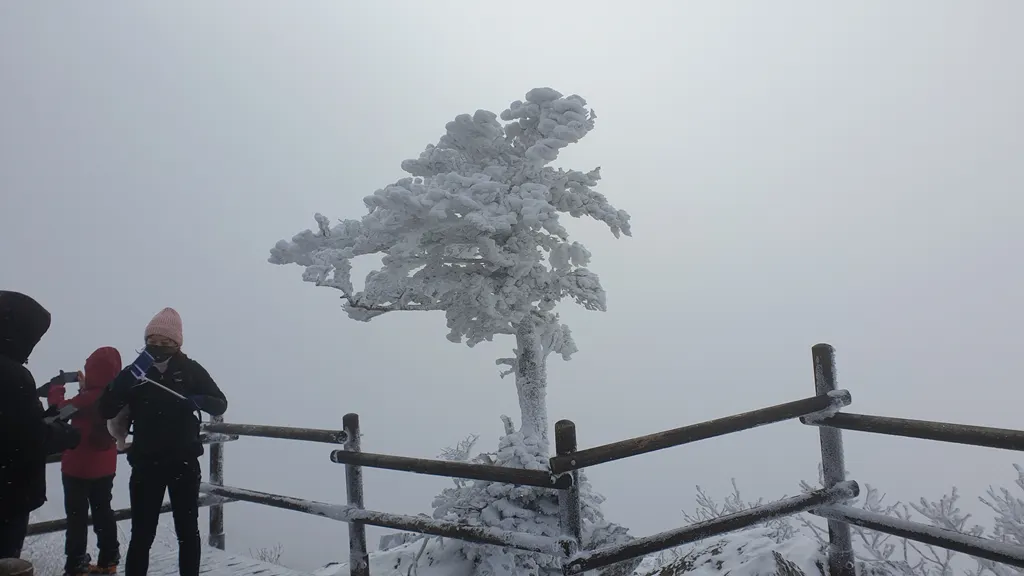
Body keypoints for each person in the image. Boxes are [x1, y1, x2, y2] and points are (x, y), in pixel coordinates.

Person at [98, 308, 227, 576]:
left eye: (165, 343)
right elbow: (107, 408)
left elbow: (220, 402)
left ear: (177, 344)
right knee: (142, 534)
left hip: (184, 462)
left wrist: (200, 400)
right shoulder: (135, 374)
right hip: (146, 463)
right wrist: (128, 377)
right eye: (152, 342)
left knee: (187, 532)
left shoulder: (190, 370)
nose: (157, 347)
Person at [0, 291, 81, 559]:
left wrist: (47, 416)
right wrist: (65, 434)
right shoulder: (14, 376)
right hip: (9, 496)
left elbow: (14, 426)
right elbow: (29, 439)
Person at [46, 347, 123, 575]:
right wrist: (87, 388)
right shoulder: (114, 398)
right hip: (106, 467)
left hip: (77, 469)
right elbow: (97, 402)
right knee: (103, 512)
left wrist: (56, 388)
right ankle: (109, 561)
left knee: (77, 518)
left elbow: (56, 413)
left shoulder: (84, 400)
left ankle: (76, 564)